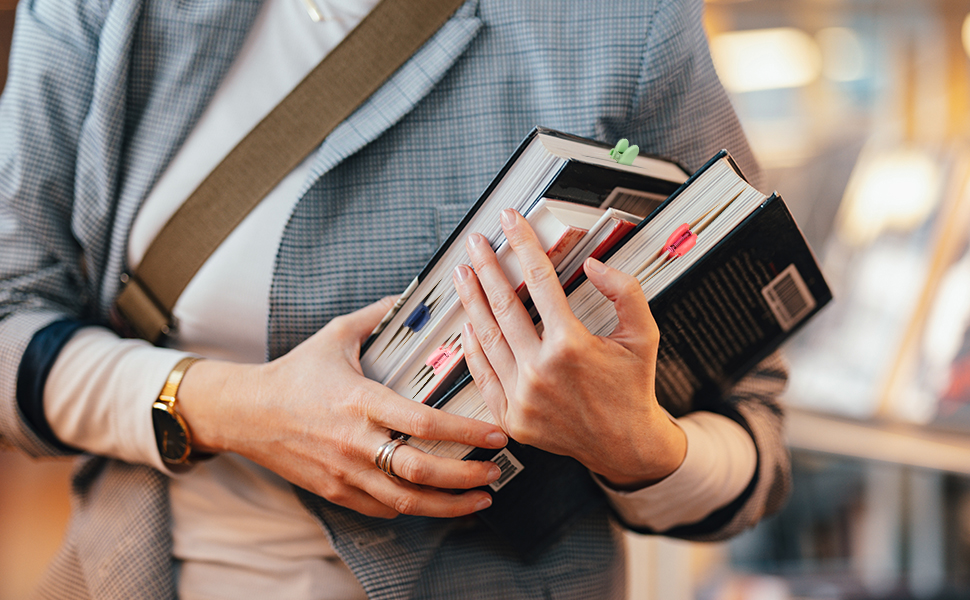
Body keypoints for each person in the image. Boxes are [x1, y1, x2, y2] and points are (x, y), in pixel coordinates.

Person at [0, 0, 790, 598]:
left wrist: (634, 445)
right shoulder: (103, 13)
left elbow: (751, 436)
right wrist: (231, 407)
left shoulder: (620, 28)